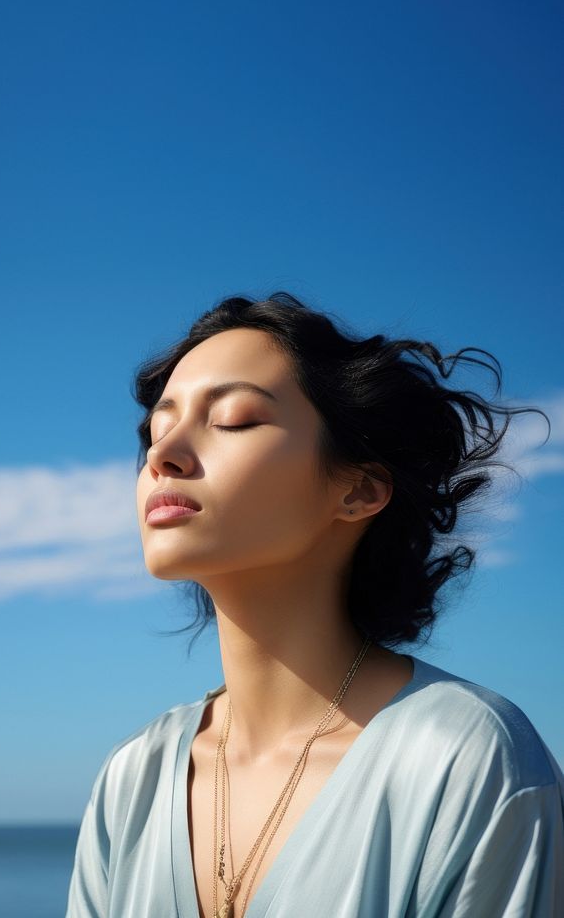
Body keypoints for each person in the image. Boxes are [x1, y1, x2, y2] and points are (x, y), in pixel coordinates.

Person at [65, 291, 564, 918]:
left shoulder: (465, 759)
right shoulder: (133, 778)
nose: (162, 456)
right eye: (157, 431)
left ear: (358, 489)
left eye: (236, 419)